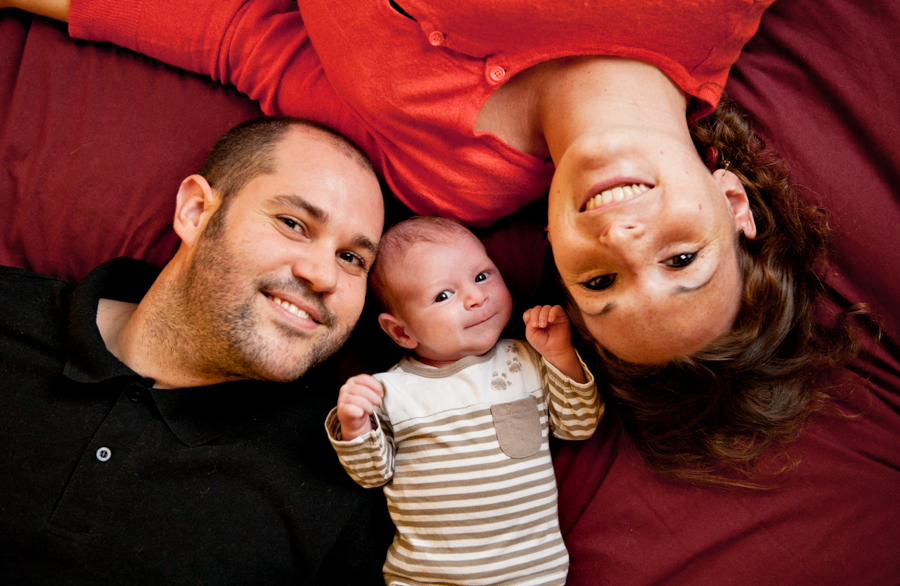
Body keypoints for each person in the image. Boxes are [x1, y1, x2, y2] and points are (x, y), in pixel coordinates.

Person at [0, 0, 857, 482]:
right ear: (733, 201)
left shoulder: (449, 184)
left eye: (599, 283)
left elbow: (237, 32)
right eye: (680, 261)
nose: (622, 237)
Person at [0, 116, 394, 584]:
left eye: (352, 259)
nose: (324, 277)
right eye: (293, 223)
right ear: (194, 211)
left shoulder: (345, 474)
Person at [326, 216, 601, 586]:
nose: (476, 297)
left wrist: (561, 356)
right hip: (428, 577)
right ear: (402, 331)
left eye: (483, 276)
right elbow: (372, 473)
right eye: (444, 295)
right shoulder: (388, 391)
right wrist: (355, 426)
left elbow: (579, 425)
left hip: (534, 575)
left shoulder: (526, 358)